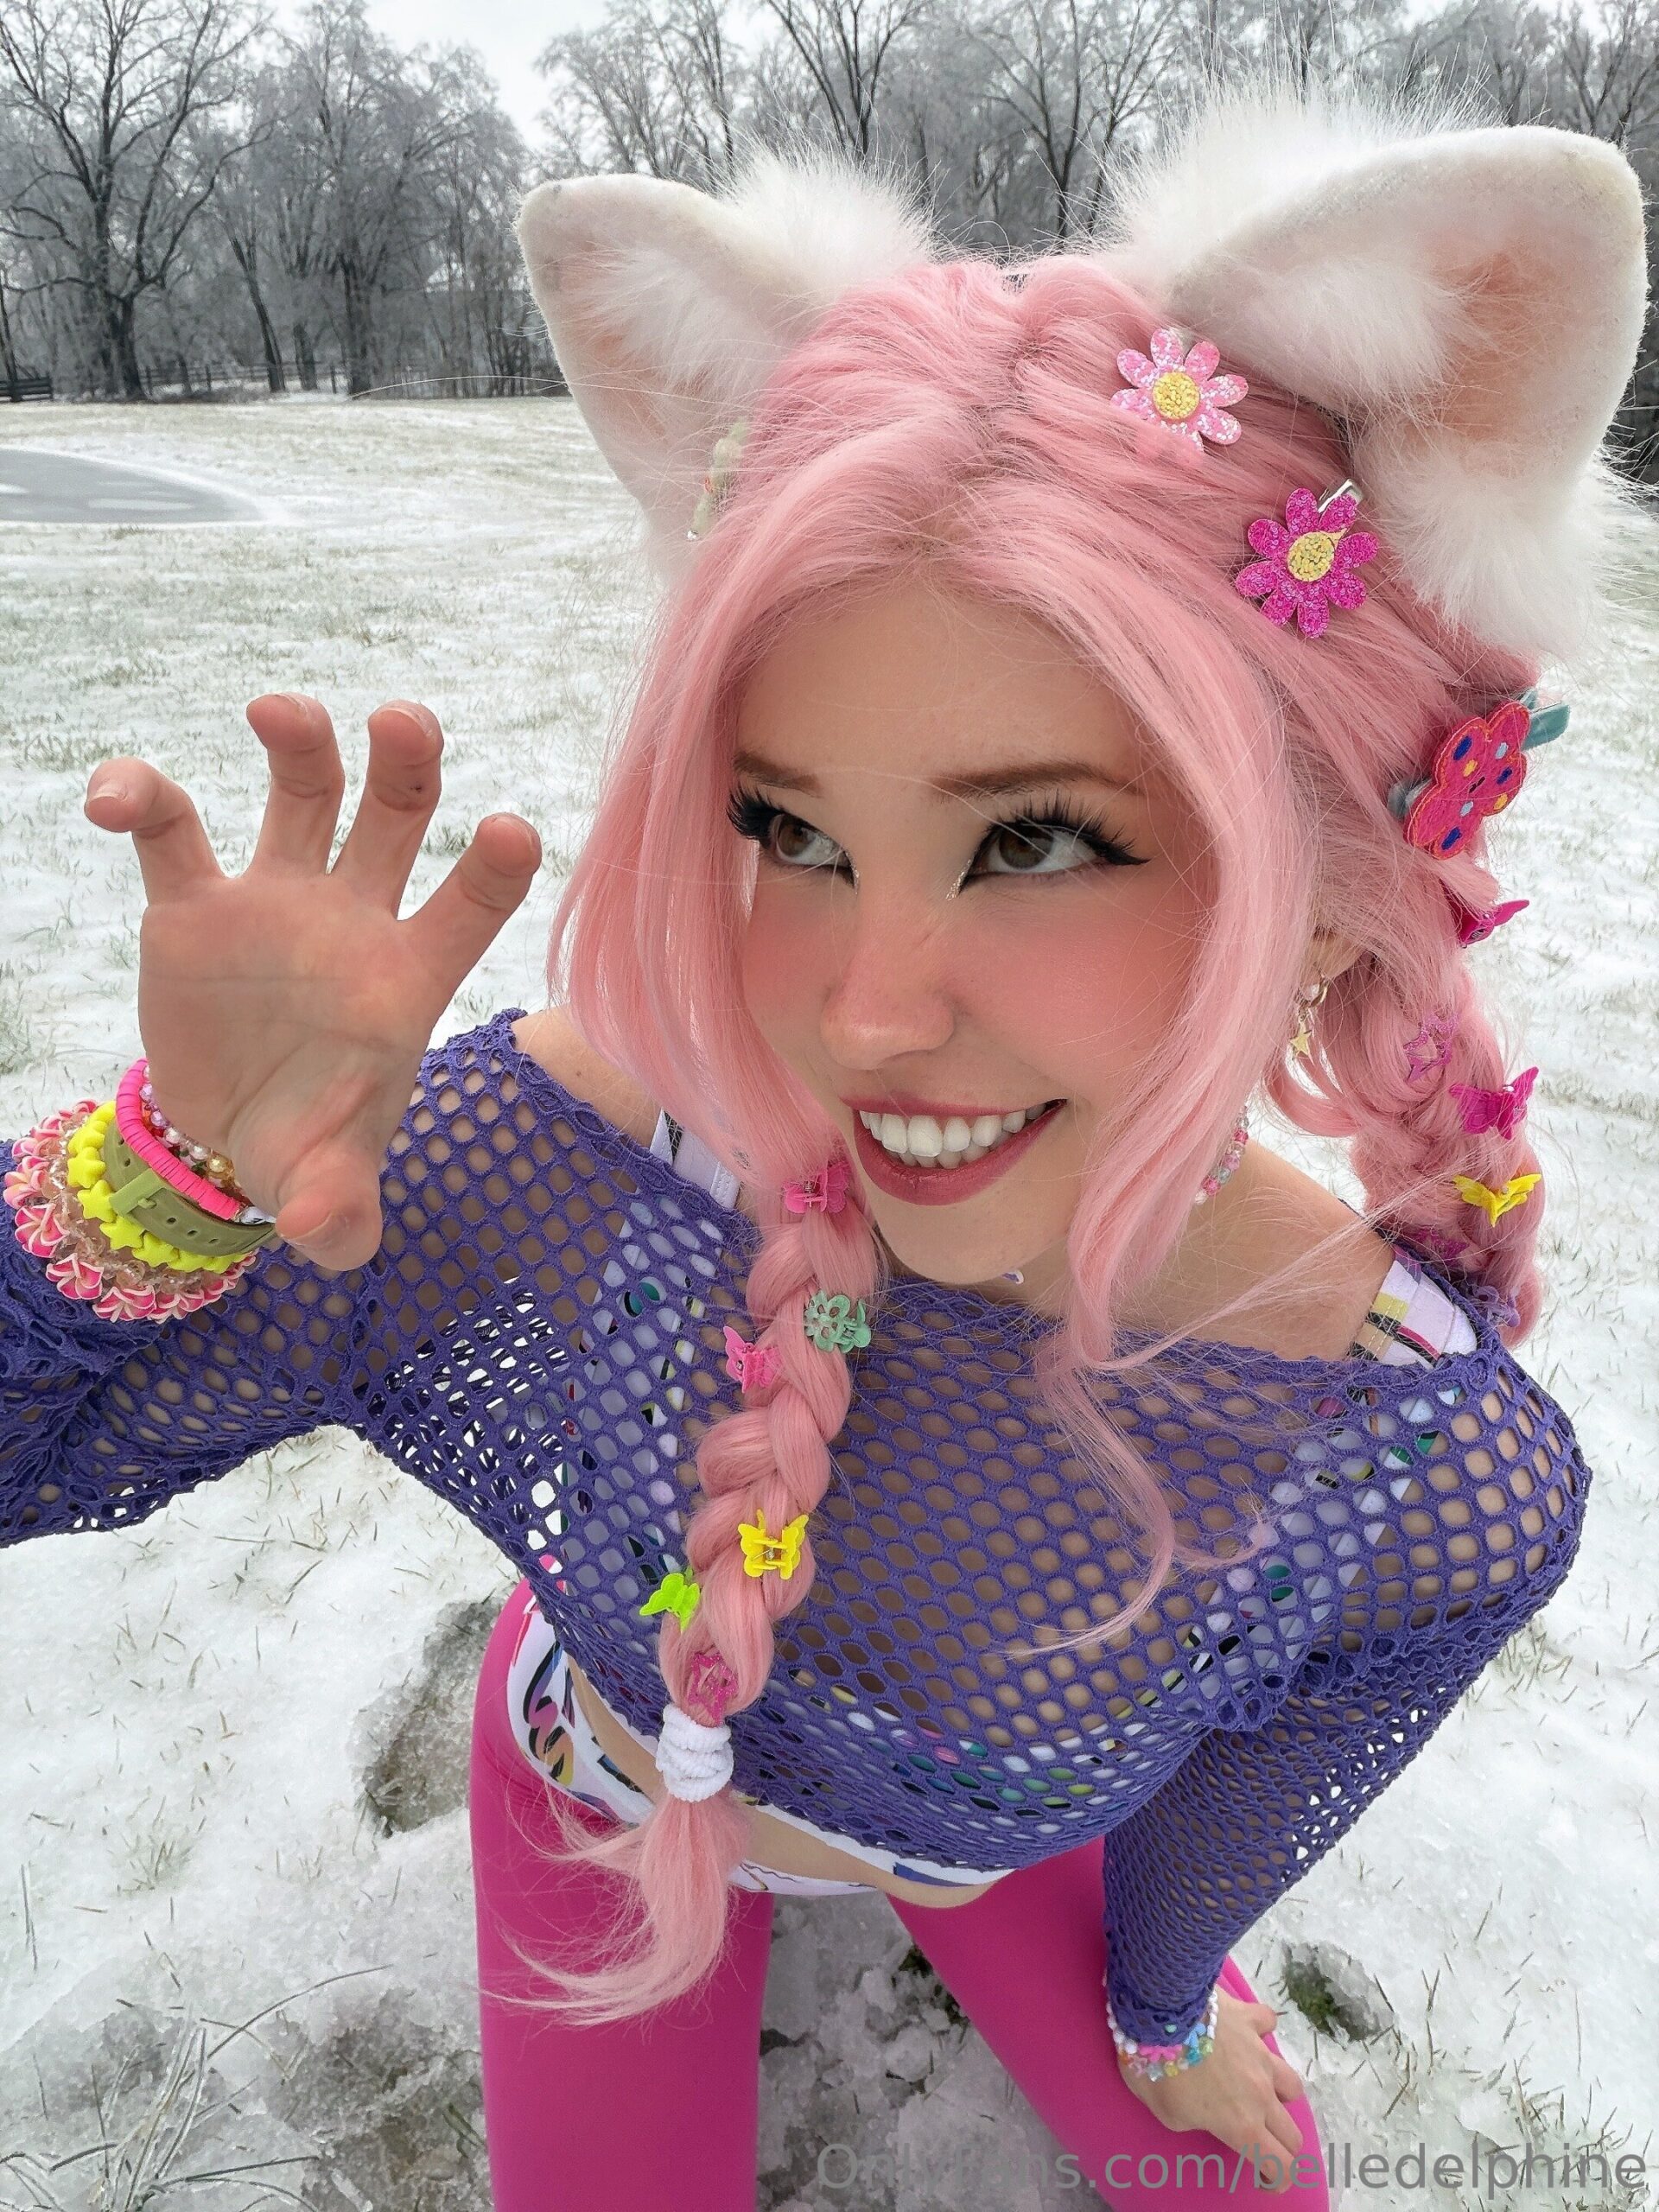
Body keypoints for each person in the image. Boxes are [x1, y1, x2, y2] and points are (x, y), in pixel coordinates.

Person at [2, 66, 1646, 2212]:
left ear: (1338, 881)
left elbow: (1230, 1814)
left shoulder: (1407, 1456)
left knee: (1251, 2189)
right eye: (785, 827)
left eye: (1037, 838)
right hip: (603, 1786)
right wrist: (175, 1178)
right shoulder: (584, 1157)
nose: (864, 1010)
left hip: (988, 1850)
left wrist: (1164, 2004)